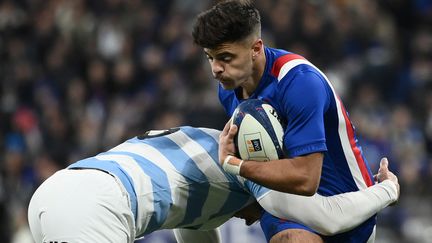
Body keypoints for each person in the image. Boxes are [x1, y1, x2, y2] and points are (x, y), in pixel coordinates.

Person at [192, 1, 391, 242]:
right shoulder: (228, 89)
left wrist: (236, 166)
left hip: (344, 208)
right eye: (209, 57)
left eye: (225, 57)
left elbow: (306, 179)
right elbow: (264, 154)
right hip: (287, 213)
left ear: (256, 48)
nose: (215, 69)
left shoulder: (299, 82)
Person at [28, 126, 399, 243]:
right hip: (96, 207)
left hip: (54, 193)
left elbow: (199, 236)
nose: (257, 220)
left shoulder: (199, 158)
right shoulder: (248, 165)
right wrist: (386, 191)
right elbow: (328, 218)